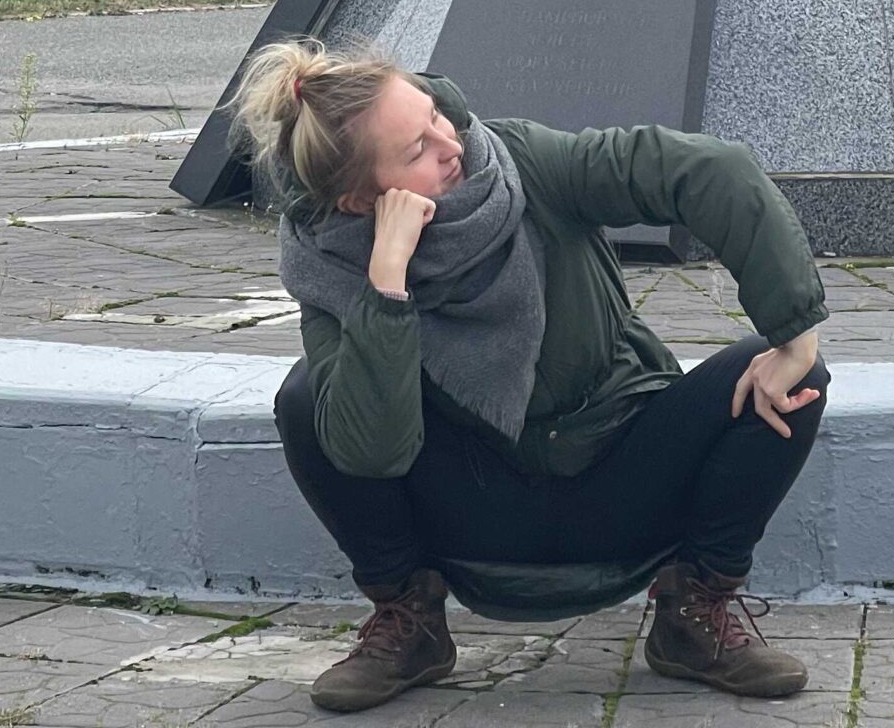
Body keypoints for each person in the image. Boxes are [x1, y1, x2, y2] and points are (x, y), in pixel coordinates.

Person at [231, 41, 829, 715]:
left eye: (435, 117)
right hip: (478, 506)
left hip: (622, 467)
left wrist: (794, 330)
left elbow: (710, 169)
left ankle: (693, 615)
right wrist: (387, 285)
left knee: (794, 378)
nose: (451, 144)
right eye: (417, 150)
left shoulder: (523, 163)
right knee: (309, 398)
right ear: (359, 200)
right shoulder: (329, 267)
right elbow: (372, 451)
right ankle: (410, 623)